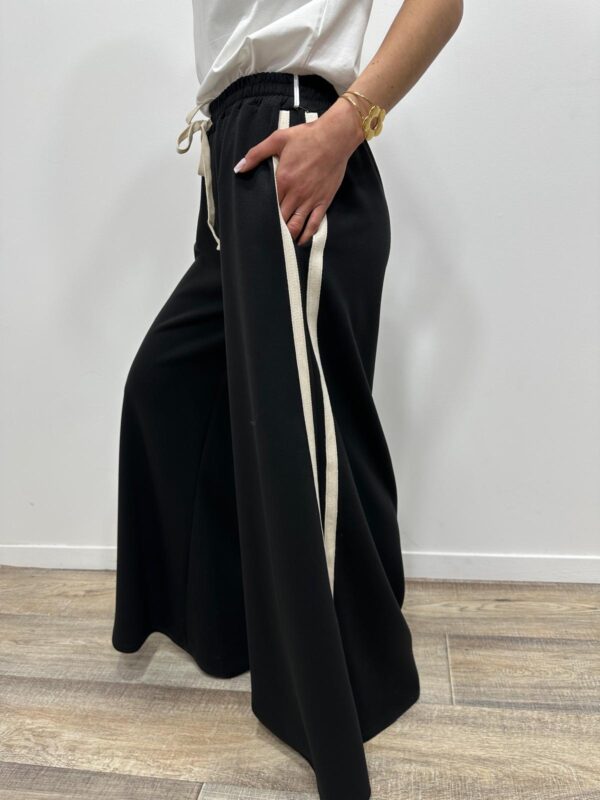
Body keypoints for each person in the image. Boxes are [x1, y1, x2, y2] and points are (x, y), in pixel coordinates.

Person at [111, 1, 463, 798]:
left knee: (307, 445)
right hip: (232, 154)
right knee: (168, 387)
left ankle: (347, 695)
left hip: (292, 133)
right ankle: (229, 626)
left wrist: (344, 127)